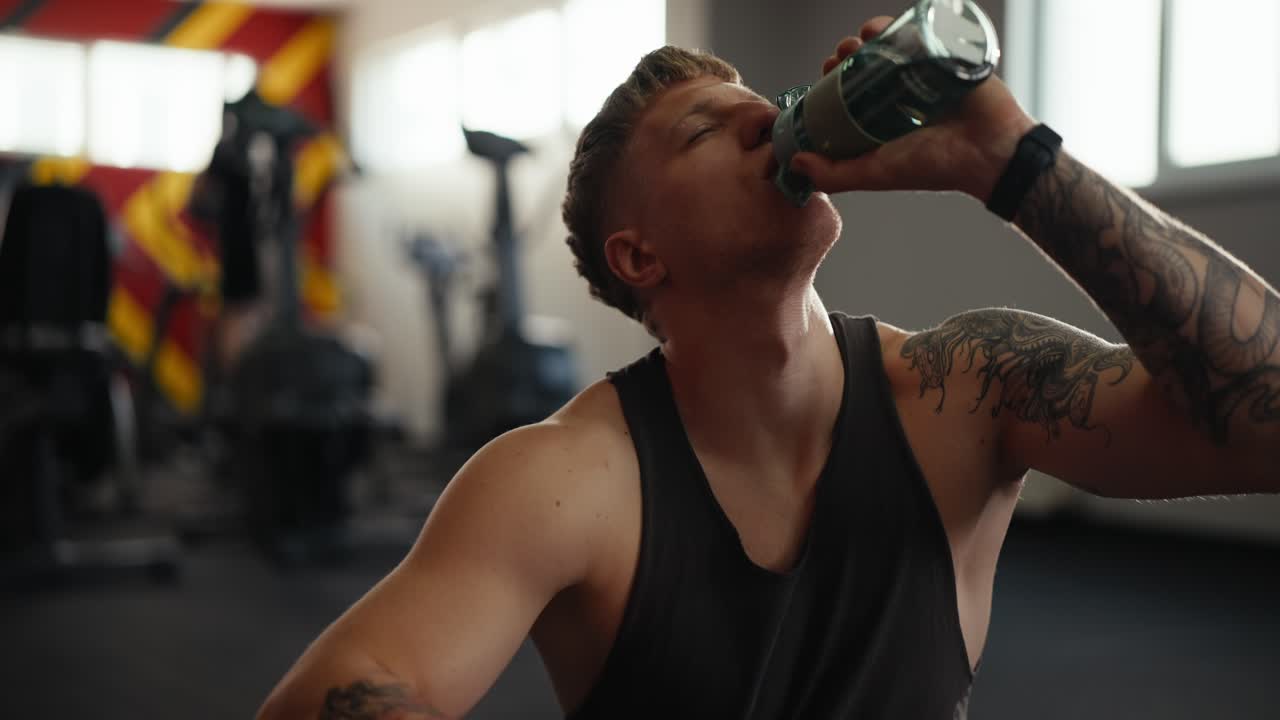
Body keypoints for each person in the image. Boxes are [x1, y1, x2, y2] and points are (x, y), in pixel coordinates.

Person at [258, 16, 1279, 720]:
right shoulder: (561, 481)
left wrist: (1011, 161)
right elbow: (339, 689)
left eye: (770, 103)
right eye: (705, 129)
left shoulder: (965, 389)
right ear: (638, 257)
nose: (766, 120)